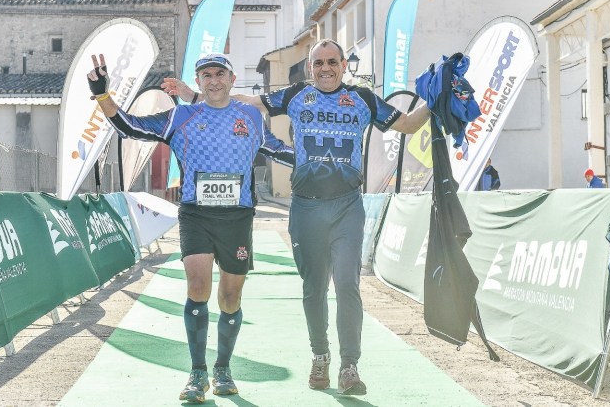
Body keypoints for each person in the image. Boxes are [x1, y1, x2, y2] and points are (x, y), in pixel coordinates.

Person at [211, 39, 431, 396]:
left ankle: (349, 365)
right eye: (318, 63)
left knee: (347, 284)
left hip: (347, 205)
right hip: (307, 207)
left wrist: (434, 102)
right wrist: (199, 93)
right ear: (310, 68)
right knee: (314, 288)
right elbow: (249, 102)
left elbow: (407, 125)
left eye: (332, 62)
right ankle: (320, 356)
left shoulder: (363, 98)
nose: (325, 68)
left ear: (344, 65)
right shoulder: (296, 94)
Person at [88, 52, 292, 404]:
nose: (213, 80)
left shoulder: (251, 117)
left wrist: (322, 159)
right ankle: (198, 373)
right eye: (206, 75)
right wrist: (102, 94)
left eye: (220, 74)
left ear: (231, 79)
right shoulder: (181, 116)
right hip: (196, 214)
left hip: (237, 217)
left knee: (230, 297)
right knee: (198, 287)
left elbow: (278, 151)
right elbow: (129, 126)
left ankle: (222, 368)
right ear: (198, 82)